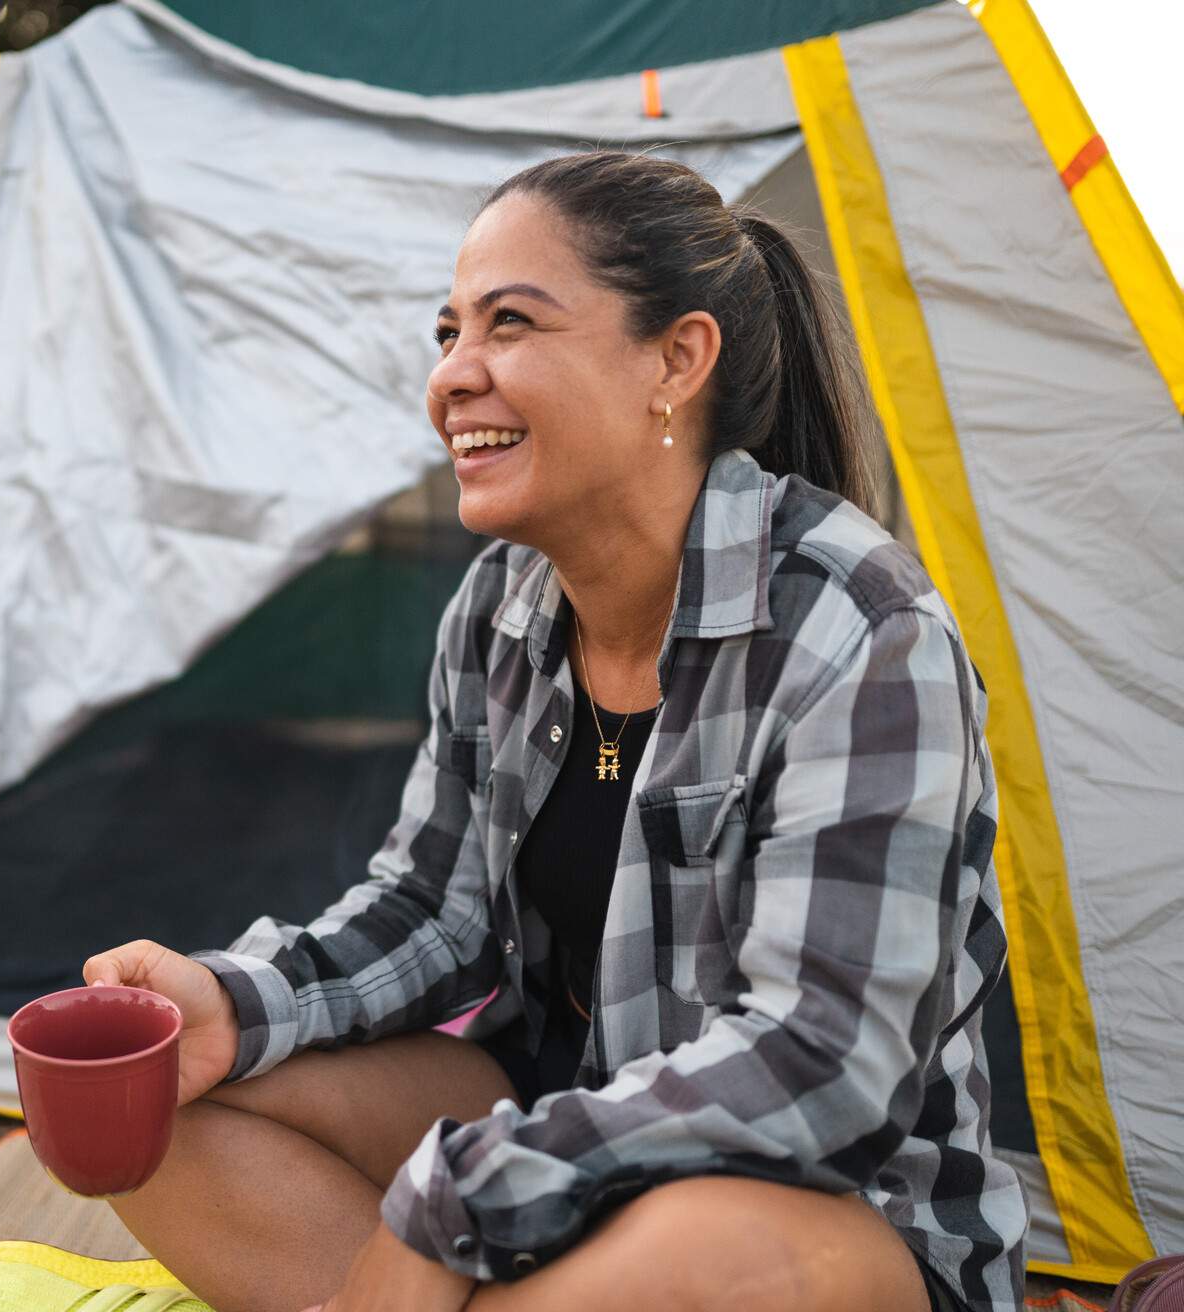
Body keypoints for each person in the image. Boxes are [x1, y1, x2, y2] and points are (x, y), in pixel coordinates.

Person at [81, 151, 1026, 1312]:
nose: (452, 378)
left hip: (829, 1216)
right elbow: (432, 908)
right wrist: (232, 1002)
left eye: (510, 323)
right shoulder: (497, 609)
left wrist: (464, 1193)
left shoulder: (860, 637)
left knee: (702, 1253)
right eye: (447, 332)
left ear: (675, 361)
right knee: (163, 1101)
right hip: (557, 1133)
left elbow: (823, 1065)